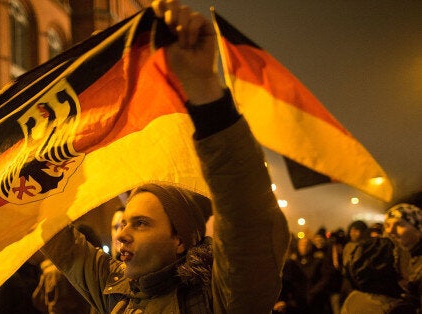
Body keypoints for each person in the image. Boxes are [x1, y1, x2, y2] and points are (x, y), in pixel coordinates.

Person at [38, 1, 290, 312]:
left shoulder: (219, 300)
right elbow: (58, 239)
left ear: (180, 240)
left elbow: (246, 215)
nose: (122, 235)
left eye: (141, 224)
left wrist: (204, 92)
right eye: (124, 224)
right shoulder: (115, 290)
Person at [384, 203, 422, 310]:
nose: (390, 231)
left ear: (418, 228)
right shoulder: (399, 259)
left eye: (399, 224)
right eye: (387, 225)